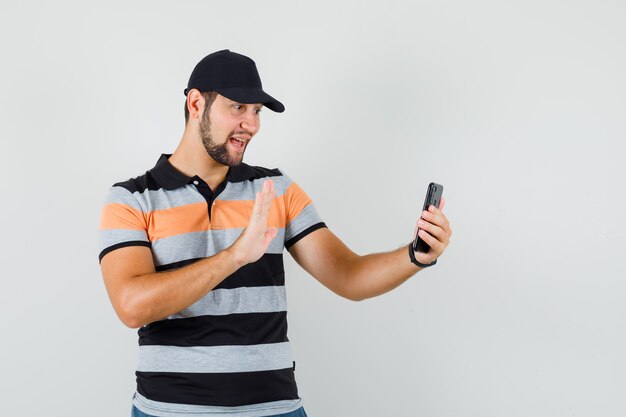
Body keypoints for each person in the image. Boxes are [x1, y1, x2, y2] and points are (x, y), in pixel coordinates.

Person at [98, 49, 452, 417]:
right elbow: (132, 305)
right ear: (196, 103)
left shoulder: (276, 188)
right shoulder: (131, 199)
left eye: (257, 112)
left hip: (275, 408)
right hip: (168, 410)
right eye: (238, 108)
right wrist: (235, 256)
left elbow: (349, 275)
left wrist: (416, 256)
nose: (251, 125)